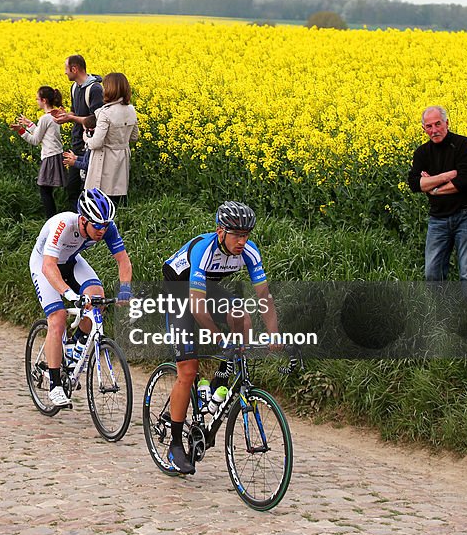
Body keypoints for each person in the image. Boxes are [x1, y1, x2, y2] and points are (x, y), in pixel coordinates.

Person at [161, 201, 281, 475]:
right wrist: (218, 339)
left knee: (242, 317)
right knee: (187, 371)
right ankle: (175, 446)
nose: (242, 241)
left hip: (205, 287)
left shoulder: (249, 252)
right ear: (220, 232)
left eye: (246, 235)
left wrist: (275, 334)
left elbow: (264, 296)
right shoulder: (204, 250)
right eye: (237, 235)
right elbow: (196, 305)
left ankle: (222, 376)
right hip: (179, 292)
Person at [29, 188, 133, 408]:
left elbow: (123, 261)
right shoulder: (64, 224)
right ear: (83, 220)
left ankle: (75, 344)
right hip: (44, 265)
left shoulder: (106, 227)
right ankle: (55, 384)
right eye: (97, 226)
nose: (102, 230)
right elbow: (48, 266)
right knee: (57, 318)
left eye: (106, 226)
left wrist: (125, 289)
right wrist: (68, 293)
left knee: (98, 299)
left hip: (71, 262)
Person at [407, 106, 467, 284]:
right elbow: (414, 184)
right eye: (429, 126)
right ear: (423, 129)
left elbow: (466, 180)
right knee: (432, 274)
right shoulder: (422, 153)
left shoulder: (464, 145)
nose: (434, 130)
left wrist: (432, 187)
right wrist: (446, 176)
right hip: (438, 218)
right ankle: (441, 312)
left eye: (438, 124)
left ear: (447, 123)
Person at [51, 55, 104, 208]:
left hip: (90, 145)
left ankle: (89, 224)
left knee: (86, 190)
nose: (65, 73)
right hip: (77, 142)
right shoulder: (74, 87)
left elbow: (95, 120)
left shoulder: (94, 89)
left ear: (74, 69)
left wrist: (70, 118)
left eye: (66, 69)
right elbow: (76, 113)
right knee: (72, 189)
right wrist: (66, 116)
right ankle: (79, 223)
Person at [12, 86, 68, 218]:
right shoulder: (53, 115)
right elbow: (43, 134)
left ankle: (52, 220)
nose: (36, 101)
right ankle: (53, 219)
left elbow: (35, 140)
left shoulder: (45, 118)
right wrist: (29, 124)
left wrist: (21, 130)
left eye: (37, 99)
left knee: (45, 191)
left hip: (50, 157)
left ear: (44, 100)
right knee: (47, 190)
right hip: (56, 154)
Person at [84, 73, 139, 205]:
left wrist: (86, 138)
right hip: (122, 158)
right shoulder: (131, 110)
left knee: (101, 199)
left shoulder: (106, 113)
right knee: (117, 197)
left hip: (105, 159)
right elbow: (134, 137)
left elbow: (96, 143)